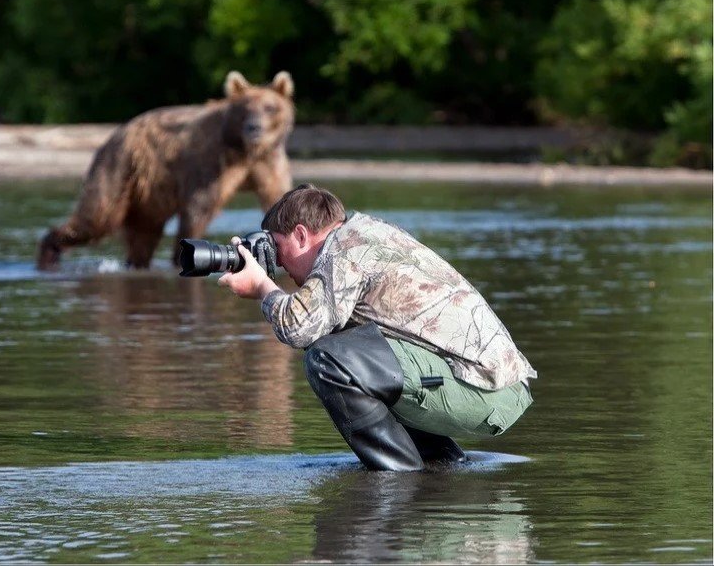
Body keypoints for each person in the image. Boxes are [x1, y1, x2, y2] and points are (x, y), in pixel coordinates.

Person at [218, 184, 537, 471]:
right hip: (492, 386)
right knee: (349, 351)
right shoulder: (364, 233)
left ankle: (398, 477)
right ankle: (441, 466)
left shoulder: (345, 250)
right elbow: (319, 327)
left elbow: (298, 328)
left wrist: (262, 286)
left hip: (486, 387)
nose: (279, 263)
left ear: (301, 235)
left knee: (328, 360)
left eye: (276, 248)